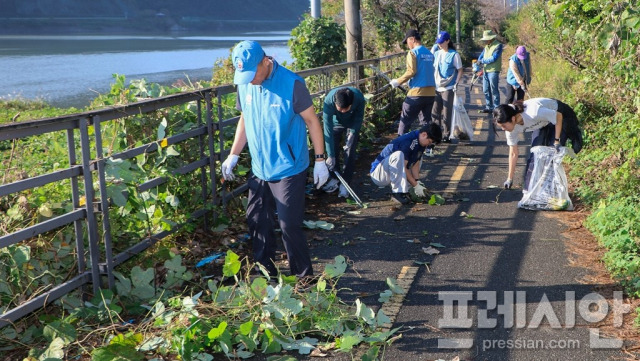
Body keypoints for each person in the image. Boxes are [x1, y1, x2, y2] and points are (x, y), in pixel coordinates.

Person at [220, 40, 329, 278]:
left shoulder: (292, 84)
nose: (250, 80)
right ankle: (265, 273)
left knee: (289, 225)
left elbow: (312, 121)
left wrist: (320, 160)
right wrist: (233, 154)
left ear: (266, 61)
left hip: (288, 166)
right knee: (257, 220)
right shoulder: (246, 83)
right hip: (260, 166)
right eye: (244, 75)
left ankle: (303, 278)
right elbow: (245, 119)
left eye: (252, 73)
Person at [493, 98, 583, 191]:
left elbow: (558, 116)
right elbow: (513, 154)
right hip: (541, 123)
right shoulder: (510, 130)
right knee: (535, 155)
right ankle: (530, 191)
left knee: (554, 152)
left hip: (560, 114)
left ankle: (553, 190)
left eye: (503, 126)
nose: (503, 129)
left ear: (513, 118)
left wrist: (556, 140)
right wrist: (509, 179)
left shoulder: (534, 113)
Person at [370, 123, 442, 205]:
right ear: (424, 134)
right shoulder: (407, 141)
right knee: (399, 155)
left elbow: (416, 162)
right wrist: (415, 185)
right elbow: (403, 167)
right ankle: (397, 192)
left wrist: (417, 181)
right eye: (429, 142)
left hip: (392, 172)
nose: (428, 144)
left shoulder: (420, 141)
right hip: (379, 175)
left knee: (419, 157)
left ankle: (408, 190)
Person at [320, 86, 366, 198]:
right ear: (335, 103)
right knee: (332, 148)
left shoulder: (359, 98)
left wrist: (353, 133)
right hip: (336, 123)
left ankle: (346, 183)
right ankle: (335, 178)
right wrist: (330, 155)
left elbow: (359, 118)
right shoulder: (329, 101)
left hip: (352, 123)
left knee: (350, 151)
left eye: (345, 109)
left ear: (351, 104)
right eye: (339, 109)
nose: (342, 111)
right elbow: (327, 130)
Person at [390, 29, 436, 135]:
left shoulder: (413, 53)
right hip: (430, 93)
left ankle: (399, 146)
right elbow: (425, 71)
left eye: (407, 42)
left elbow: (411, 71)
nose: (407, 45)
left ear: (413, 39)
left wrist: (398, 81)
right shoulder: (429, 53)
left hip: (417, 93)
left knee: (405, 120)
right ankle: (429, 148)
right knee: (426, 122)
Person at [431, 31, 463, 141]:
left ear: (448, 41)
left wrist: (456, 83)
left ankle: (447, 134)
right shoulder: (436, 54)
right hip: (437, 87)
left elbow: (459, 70)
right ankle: (436, 135)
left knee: (446, 112)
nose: (439, 44)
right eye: (438, 42)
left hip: (448, 88)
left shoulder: (454, 54)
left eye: (441, 42)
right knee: (435, 112)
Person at [477, 30, 504, 113]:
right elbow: (480, 57)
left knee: (494, 89)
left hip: (493, 70)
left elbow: (494, 58)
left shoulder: (498, 46)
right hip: (486, 70)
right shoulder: (486, 47)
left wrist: (482, 61)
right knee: (485, 89)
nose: (485, 41)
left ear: (491, 38)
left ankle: (496, 108)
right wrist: (478, 62)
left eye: (486, 39)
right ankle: (489, 107)